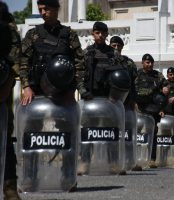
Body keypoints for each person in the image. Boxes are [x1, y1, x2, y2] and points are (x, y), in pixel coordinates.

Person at [19, 0, 88, 191]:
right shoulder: (33, 35)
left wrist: (71, 90)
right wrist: (26, 86)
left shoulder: (69, 35)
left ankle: (67, 179)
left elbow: (80, 65)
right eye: (40, 9)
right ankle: (30, 178)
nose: (43, 13)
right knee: (31, 137)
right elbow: (23, 61)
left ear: (56, 9)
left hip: (62, 95)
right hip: (36, 94)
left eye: (46, 9)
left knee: (66, 136)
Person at [78, 22, 129, 175]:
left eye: (102, 33)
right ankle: (84, 163)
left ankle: (114, 164)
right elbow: (79, 74)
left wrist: (116, 96)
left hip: (109, 100)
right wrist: (82, 90)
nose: (100, 35)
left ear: (106, 34)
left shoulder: (114, 54)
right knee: (87, 133)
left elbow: (122, 77)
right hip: (90, 99)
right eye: (97, 32)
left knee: (110, 132)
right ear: (92, 34)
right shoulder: (86, 53)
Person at [109, 36, 143, 171]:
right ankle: (113, 162)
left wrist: (133, 102)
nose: (116, 48)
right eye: (113, 45)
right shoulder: (107, 60)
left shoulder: (129, 63)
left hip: (126, 103)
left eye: (118, 45)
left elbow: (134, 84)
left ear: (122, 47)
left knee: (128, 135)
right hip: (111, 103)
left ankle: (129, 162)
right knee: (112, 135)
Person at [0, 1, 22, 199]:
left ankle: (10, 188)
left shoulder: (5, 20)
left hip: (1, 88)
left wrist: (7, 83)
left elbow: (14, 53)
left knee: (4, 138)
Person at [135, 53, 169, 168]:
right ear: (143, 63)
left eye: (151, 63)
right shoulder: (137, 74)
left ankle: (152, 159)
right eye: (147, 62)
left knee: (153, 134)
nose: (150, 65)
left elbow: (166, 84)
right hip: (139, 109)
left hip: (152, 109)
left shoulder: (157, 75)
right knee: (137, 135)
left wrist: (165, 88)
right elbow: (134, 89)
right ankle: (135, 159)